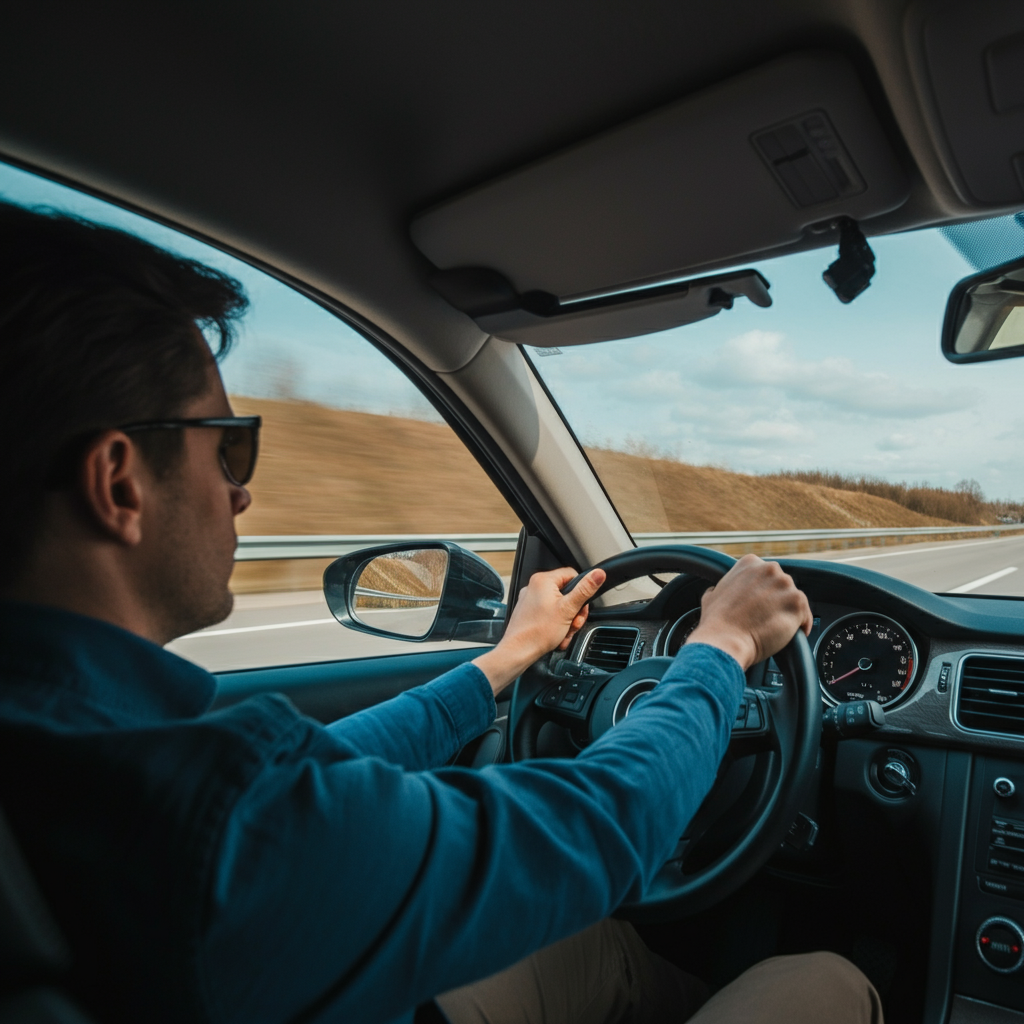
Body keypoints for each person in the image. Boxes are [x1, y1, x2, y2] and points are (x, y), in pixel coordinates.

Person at [0, 202, 881, 1024]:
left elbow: (316, 775)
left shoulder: (89, 753)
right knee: (829, 983)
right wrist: (720, 647)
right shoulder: (206, 825)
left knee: (591, 945)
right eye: (228, 446)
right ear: (118, 481)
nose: (241, 491)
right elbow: (597, 828)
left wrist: (503, 664)